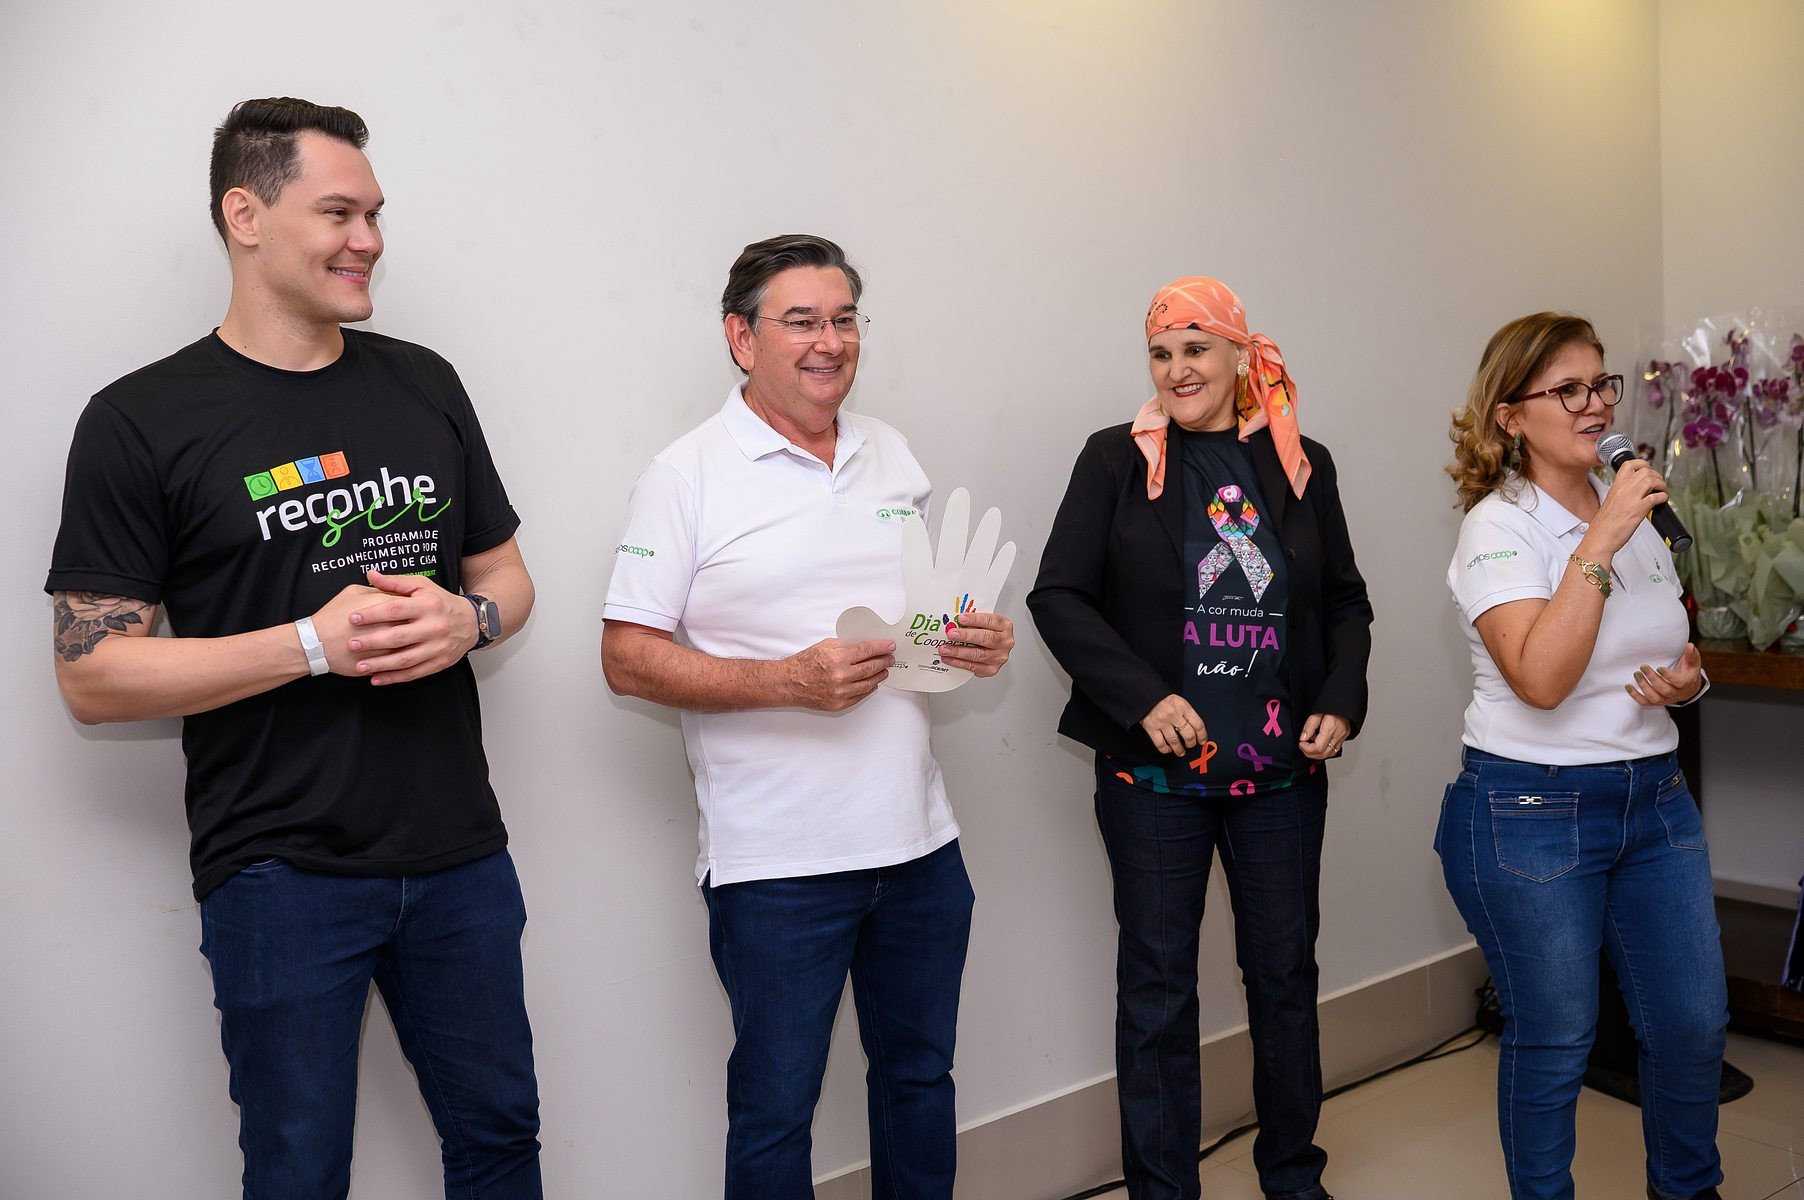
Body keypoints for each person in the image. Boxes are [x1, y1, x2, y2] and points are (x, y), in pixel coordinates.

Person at [45, 98, 542, 1199]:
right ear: (246, 215)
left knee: (501, 1141)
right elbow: (93, 674)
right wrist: (312, 645)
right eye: (338, 213)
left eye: (375, 214)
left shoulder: (423, 381)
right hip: (279, 873)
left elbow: (507, 574)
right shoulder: (140, 420)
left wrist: (471, 621)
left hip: (459, 851)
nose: (368, 239)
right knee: (298, 1172)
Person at [600, 233, 1014, 1199]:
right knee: (775, 1113)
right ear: (742, 339)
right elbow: (625, 656)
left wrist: (966, 643)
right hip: (778, 866)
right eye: (800, 321)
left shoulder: (890, 453)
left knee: (920, 1082)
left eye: (843, 319)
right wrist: (785, 681)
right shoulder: (686, 475)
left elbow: (913, 623)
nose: (830, 341)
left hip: (919, 848)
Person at [1028, 277, 1371, 1200]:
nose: (1177, 370)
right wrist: (1142, 698)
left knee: (1284, 981)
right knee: (1157, 993)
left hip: (1281, 777)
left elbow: (1345, 600)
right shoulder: (1114, 459)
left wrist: (1341, 697)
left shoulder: (1300, 461)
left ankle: (1292, 1176)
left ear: (1239, 355)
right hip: (1153, 783)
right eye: (1160, 353)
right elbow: (1058, 595)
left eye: (1195, 348)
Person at [1438, 312, 1726, 1200]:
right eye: (1567, 389)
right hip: (1532, 809)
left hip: (1656, 800)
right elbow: (1542, 678)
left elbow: (1658, 644)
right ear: (1510, 416)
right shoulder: (1498, 528)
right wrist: (1600, 537)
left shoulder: (1632, 511)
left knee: (1691, 1027)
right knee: (1556, 1037)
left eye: (1601, 383)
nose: (1596, 404)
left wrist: (1687, 684)